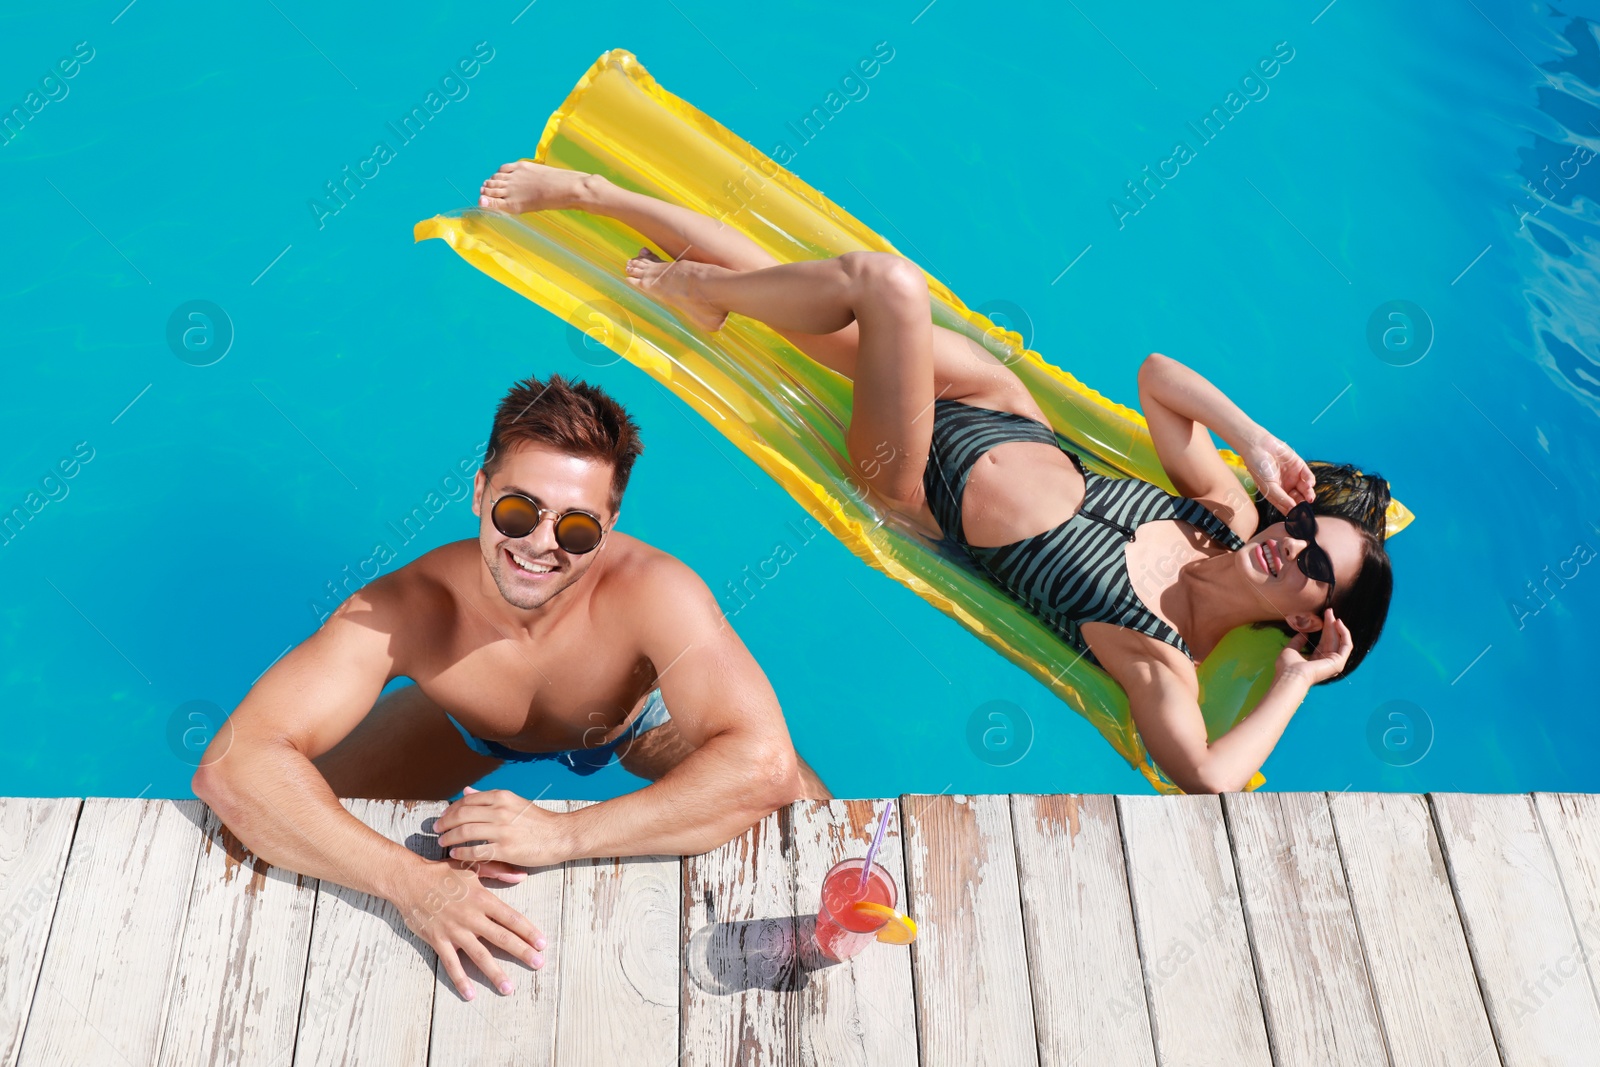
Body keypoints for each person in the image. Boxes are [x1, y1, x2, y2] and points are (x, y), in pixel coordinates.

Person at [471, 160, 1394, 797]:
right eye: (1310, 527)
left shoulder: (1160, 654)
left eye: (1315, 565)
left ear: (1312, 617)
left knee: (886, 287)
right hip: (993, 402)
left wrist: (1296, 683)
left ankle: (705, 292)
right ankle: (594, 195)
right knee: (800, 281)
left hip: (910, 478)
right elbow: (1160, 380)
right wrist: (1258, 442)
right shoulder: (1226, 511)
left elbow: (1204, 776)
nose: (1295, 541)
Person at [192, 374, 828, 1003]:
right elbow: (233, 766)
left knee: (814, 827)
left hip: (636, 723)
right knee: (272, 824)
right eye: (518, 511)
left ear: (609, 524)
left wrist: (562, 835)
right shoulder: (411, 608)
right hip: (465, 725)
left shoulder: (658, 592)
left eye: (576, 527)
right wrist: (409, 882)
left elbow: (761, 763)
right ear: (479, 492)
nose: (540, 544)